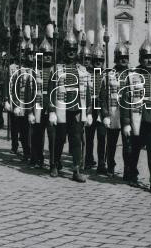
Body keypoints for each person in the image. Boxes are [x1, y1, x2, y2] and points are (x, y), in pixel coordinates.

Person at [120, 35, 151, 193]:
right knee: (134, 149)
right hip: (138, 118)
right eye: (146, 57)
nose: (149, 61)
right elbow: (126, 100)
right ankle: (132, 173)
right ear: (141, 58)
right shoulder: (132, 76)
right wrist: (127, 122)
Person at [48, 30, 92, 182]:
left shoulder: (83, 70)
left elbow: (87, 92)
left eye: (74, 50)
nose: (71, 53)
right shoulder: (56, 69)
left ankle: (76, 169)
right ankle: (54, 164)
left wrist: (89, 112)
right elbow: (51, 91)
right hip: (61, 108)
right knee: (58, 139)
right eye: (68, 50)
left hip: (76, 110)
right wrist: (52, 110)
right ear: (64, 51)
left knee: (76, 140)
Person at [100, 41, 130, 177]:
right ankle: (110, 166)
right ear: (116, 59)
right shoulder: (108, 75)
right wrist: (105, 114)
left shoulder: (133, 75)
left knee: (127, 144)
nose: (123, 60)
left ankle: (127, 169)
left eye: (125, 58)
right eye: (120, 58)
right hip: (113, 113)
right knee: (111, 144)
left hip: (127, 114)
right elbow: (103, 96)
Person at [29, 37, 55, 170]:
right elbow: (30, 92)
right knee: (37, 134)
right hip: (38, 104)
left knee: (52, 135)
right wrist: (29, 111)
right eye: (45, 55)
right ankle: (37, 158)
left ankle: (53, 162)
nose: (47, 58)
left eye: (50, 55)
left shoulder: (55, 70)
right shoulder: (35, 71)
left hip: (51, 104)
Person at [85, 45, 107, 173]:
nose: (98, 63)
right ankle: (88, 159)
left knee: (102, 137)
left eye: (100, 60)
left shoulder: (106, 75)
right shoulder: (88, 75)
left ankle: (101, 163)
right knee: (89, 137)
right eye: (96, 60)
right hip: (91, 108)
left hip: (101, 108)